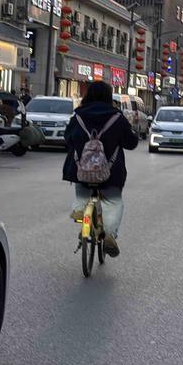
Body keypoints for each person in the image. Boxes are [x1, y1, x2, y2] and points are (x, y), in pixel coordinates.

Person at [64, 80, 138, 256]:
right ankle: (110, 235)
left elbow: (68, 138)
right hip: (110, 173)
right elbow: (131, 142)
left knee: (82, 188)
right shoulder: (117, 117)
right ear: (108, 96)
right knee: (113, 202)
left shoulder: (78, 116)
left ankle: (80, 209)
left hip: (81, 171)